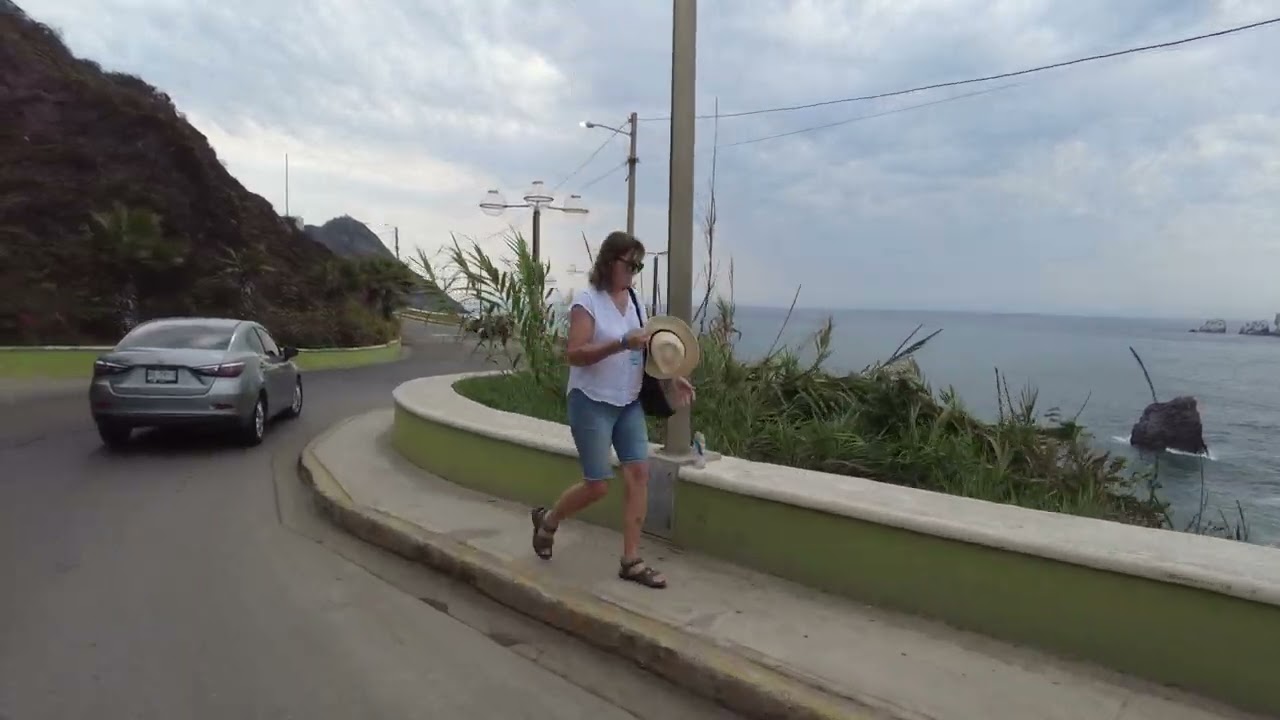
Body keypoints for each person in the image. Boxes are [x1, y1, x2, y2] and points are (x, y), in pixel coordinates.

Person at [530, 230, 695, 589]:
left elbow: (646, 353)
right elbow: (574, 354)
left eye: (638, 265)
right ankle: (549, 520)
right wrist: (619, 342)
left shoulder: (636, 303)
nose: (634, 272)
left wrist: (672, 378)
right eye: (629, 264)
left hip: (629, 401)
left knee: (640, 475)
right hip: (592, 401)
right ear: (609, 262)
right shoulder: (587, 302)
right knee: (598, 486)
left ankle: (631, 560)